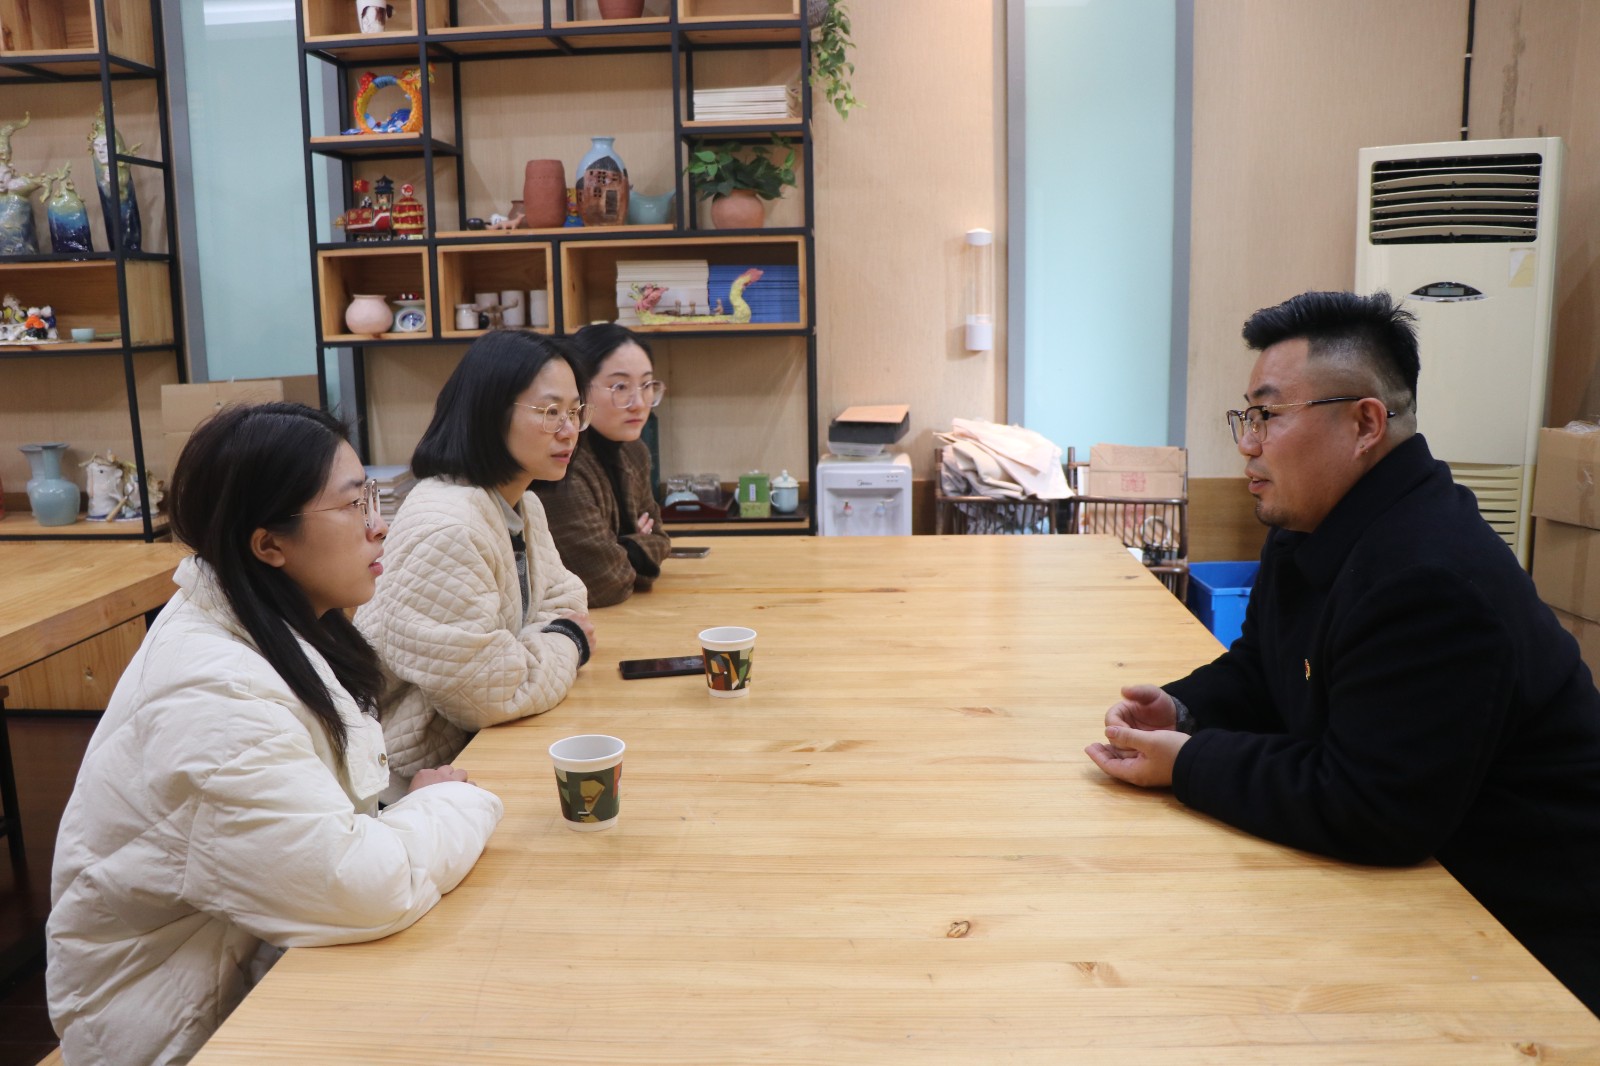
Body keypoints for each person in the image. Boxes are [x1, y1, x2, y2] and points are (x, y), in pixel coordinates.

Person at [1084, 290, 1600, 1013]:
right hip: (1423, 891)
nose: (1247, 443)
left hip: (1527, 939)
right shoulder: (1311, 525)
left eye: (1269, 416)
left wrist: (1187, 762)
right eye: (1247, 416)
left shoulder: (1431, 576)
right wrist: (1183, 709)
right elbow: (1264, 666)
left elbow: (1372, 806)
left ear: (1364, 424)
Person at [47, 403, 504, 1066]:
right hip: (174, 1030)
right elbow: (360, 886)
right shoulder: (215, 697)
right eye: (354, 505)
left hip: (251, 963)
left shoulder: (266, 614)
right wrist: (445, 801)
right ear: (268, 545)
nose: (379, 526)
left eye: (374, 498)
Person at [356, 330, 595, 801]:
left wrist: (528, 650)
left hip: (477, 752)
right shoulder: (449, 523)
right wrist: (567, 641)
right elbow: (487, 694)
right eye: (550, 412)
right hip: (407, 783)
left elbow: (567, 598)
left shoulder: (521, 503)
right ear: (490, 411)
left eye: (574, 412)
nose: (568, 430)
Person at [534, 323, 671, 606]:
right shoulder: (561, 461)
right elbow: (604, 583)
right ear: (579, 389)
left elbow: (660, 537)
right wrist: (635, 545)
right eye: (620, 386)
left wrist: (620, 547)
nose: (638, 403)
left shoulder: (634, 451)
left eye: (647, 385)